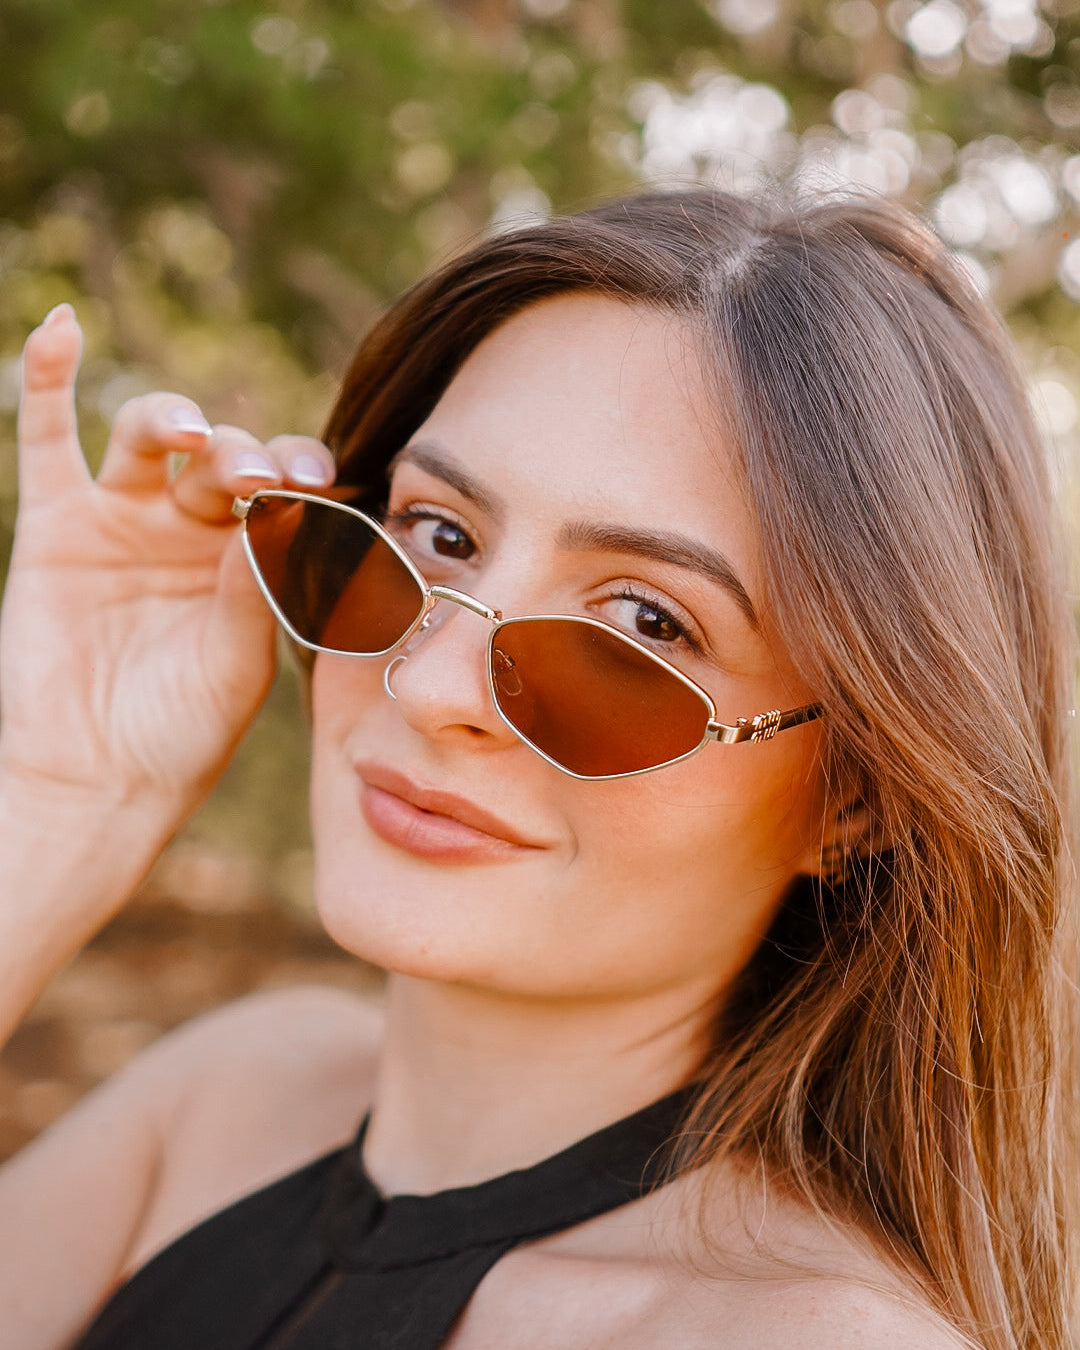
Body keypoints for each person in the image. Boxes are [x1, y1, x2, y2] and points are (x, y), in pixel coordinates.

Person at [0, 188, 1073, 1350]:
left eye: (644, 625)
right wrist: (56, 797)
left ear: (854, 800)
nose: (432, 685)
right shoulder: (231, 1096)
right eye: (440, 533)